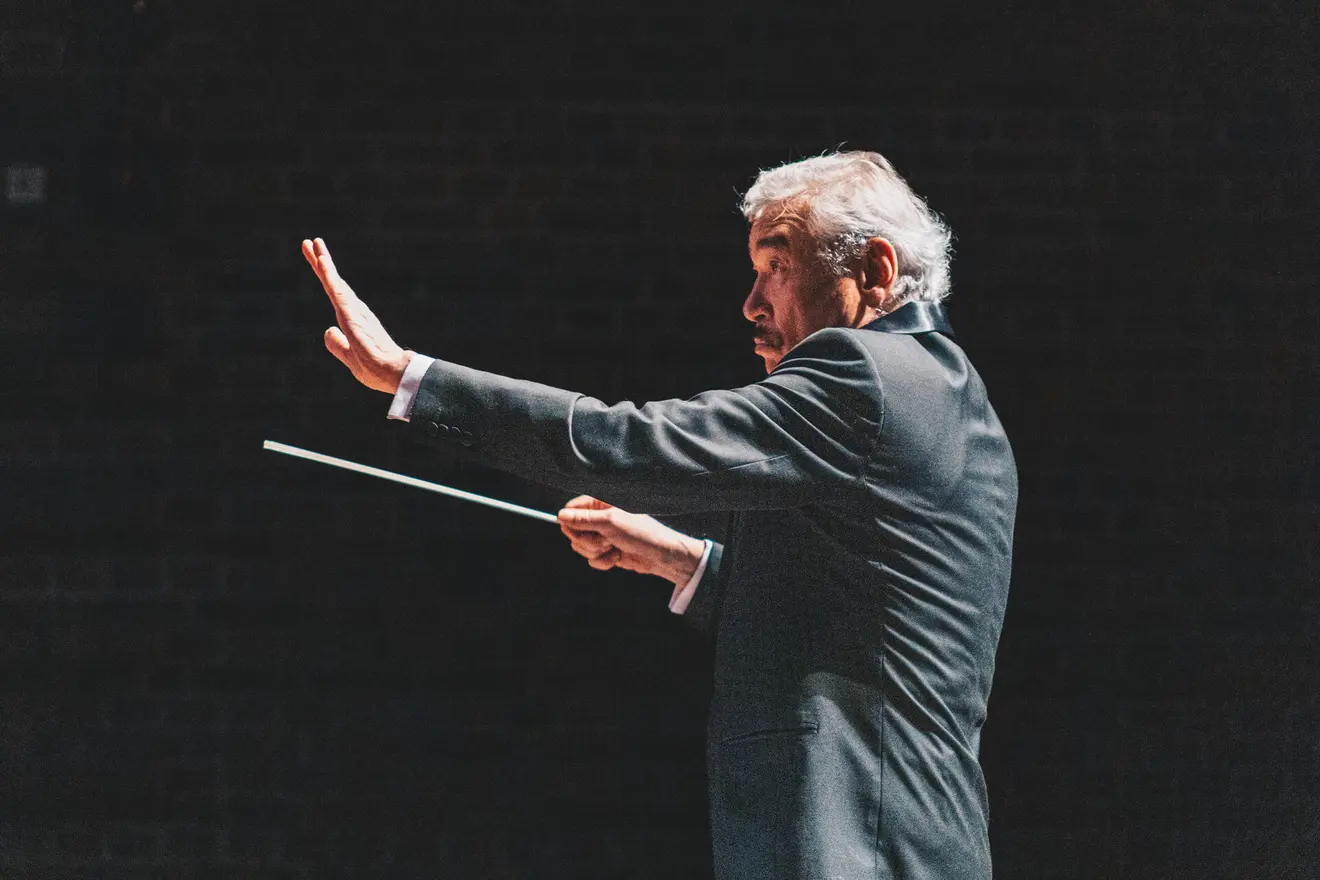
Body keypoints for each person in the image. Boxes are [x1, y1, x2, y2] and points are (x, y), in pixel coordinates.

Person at [303, 150, 1018, 880]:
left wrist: (411, 378)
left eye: (777, 266)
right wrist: (685, 562)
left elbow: (631, 444)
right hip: (914, 838)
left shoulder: (866, 376)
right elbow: (874, 619)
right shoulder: (954, 399)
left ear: (874, 270)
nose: (752, 303)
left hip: (857, 844)